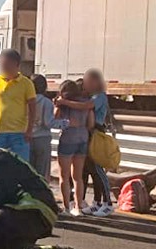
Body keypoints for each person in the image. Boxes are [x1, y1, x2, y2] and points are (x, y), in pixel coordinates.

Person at [56, 69, 114, 216]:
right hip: (85, 135)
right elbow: (88, 118)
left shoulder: (99, 96)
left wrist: (63, 102)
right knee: (85, 171)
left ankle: (107, 202)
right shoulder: (90, 97)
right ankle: (91, 202)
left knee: (96, 170)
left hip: (95, 133)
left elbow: (86, 107)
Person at [0, 49, 37, 161]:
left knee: (20, 165)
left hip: (19, 134)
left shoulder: (26, 83)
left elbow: (33, 107)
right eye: (2, 65)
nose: (4, 67)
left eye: (7, 65)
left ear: (16, 65)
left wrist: (29, 130)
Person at [54, 80, 94, 217]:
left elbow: (54, 118)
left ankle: (66, 207)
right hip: (82, 138)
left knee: (64, 176)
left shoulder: (64, 104)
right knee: (78, 176)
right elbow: (91, 123)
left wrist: (58, 104)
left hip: (68, 138)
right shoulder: (86, 104)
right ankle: (78, 207)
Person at [30, 75, 54, 182]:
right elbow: (48, 122)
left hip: (28, 137)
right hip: (43, 138)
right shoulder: (46, 102)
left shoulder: (25, 101)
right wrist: (63, 123)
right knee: (42, 172)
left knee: (29, 170)